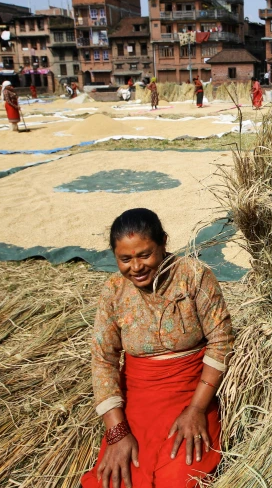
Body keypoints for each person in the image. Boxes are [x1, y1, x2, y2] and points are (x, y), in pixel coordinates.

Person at [81, 208, 234, 488]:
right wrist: (116, 431)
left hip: (192, 393)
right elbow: (103, 359)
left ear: (163, 242)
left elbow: (221, 340)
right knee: (118, 479)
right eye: (125, 259)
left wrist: (197, 409)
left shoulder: (193, 276)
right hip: (138, 402)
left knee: (178, 478)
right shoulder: (114, 291)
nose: (135, 267)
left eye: (145, 255)